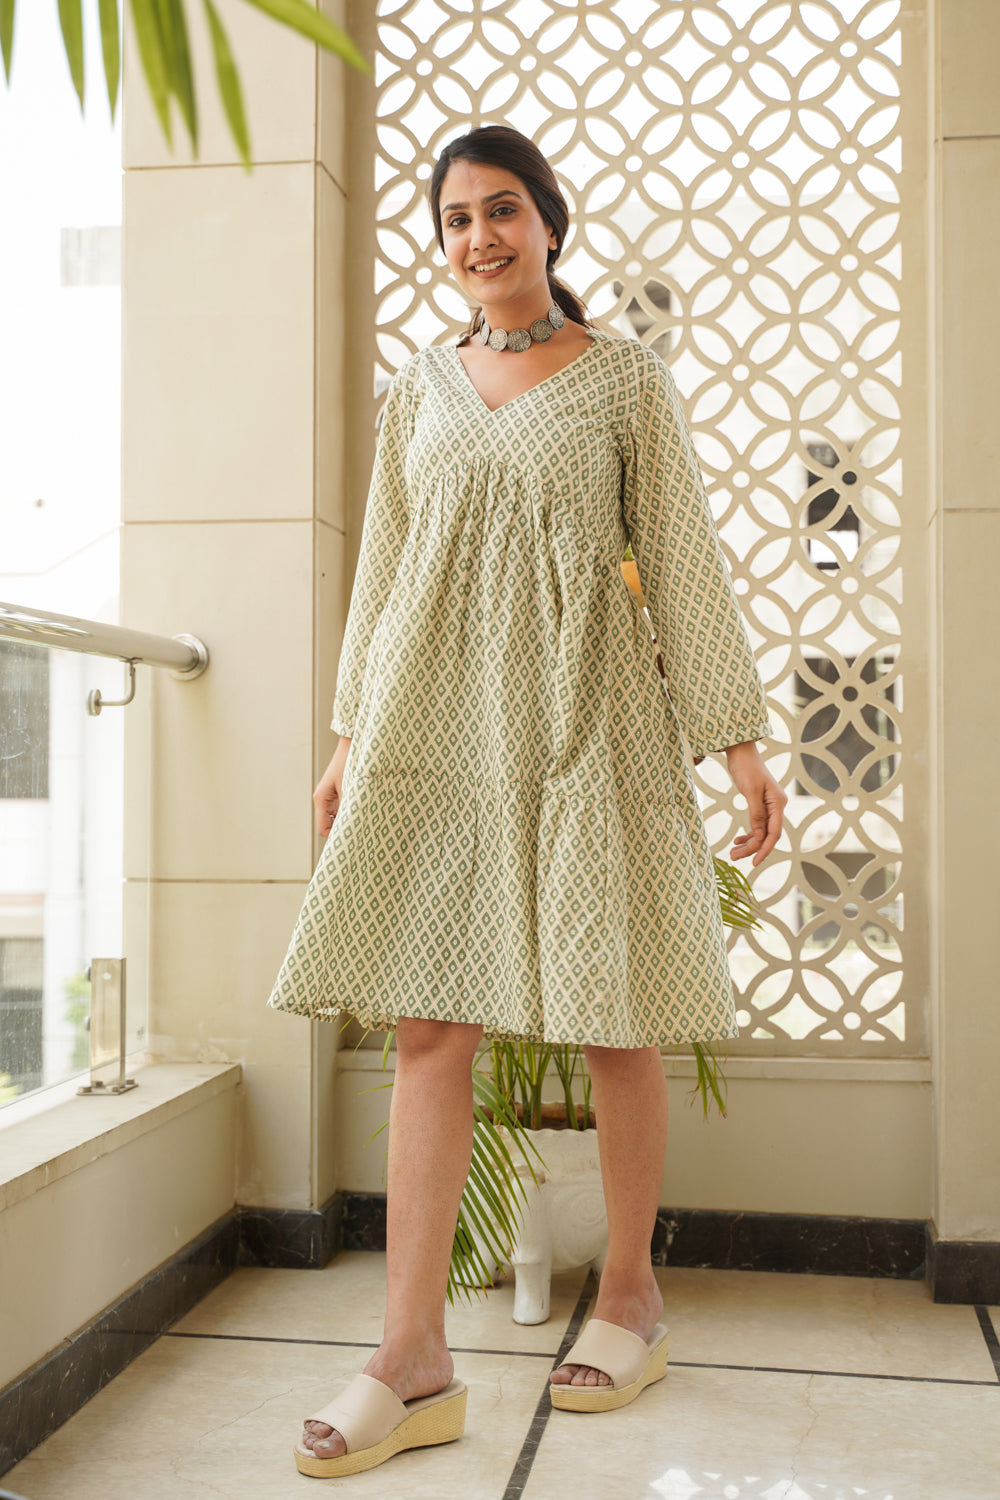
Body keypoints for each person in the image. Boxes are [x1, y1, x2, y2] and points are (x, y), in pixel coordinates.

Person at [267, 124, 786, 1479]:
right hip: (435, 725)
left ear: (549, 221)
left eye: (502, 210)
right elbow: (384, 572)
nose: (479, 238)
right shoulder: (418, 390)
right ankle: (411, 1355)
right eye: (455, 219)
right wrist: (347, 736)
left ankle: (633, 1296)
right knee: (428, 1023)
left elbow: (682, 558)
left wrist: (736, 743)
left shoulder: (625, 379)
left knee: (614, 1015)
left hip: (586, 720)